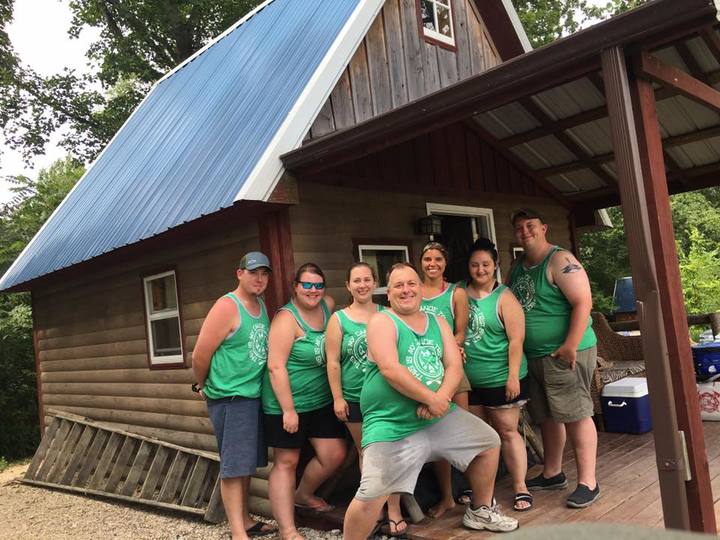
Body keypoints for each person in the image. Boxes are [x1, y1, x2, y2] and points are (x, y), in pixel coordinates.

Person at [343, 262, 519, 539]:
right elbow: (390, 368)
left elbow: (453, 365)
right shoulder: (382, 321)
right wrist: (430, 398)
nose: (406, 290)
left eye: (412, 284)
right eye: (398, 285)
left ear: (421, 290)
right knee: (371, 495)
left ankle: (480, 510)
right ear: (388, 294)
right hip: (391, 424)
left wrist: (441, 399)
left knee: (488, 442)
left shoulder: (436, 322)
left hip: (438, 416)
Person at [507, 208, 599, 509]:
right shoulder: (517, 267)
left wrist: (570, 344)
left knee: (575, 413)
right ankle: (552, 472)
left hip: (565, 352)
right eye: (519, 227)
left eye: (531, 225)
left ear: (544, 227)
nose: (525, 231)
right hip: (534, 356)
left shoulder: (561, 260)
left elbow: (583, 301)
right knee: (547, 416)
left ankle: (588, 482)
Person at [191, 251, 277, 540]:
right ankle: (238, 532)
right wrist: (202, 385)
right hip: (230, 397)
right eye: (254, 272)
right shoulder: (227, 306)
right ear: (239, 273)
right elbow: (200, 354)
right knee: (233, 466)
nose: (260, 279)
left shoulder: (260, 304)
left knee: (245, 464)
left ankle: (245, 520)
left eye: (264, 273)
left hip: (253, 395)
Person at [262, 263, 347, 540]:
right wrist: (288, 410)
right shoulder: (286, 320)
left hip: (320, 399)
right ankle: (287, 530)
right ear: (295, 287)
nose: (313, 291)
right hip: (286, 403)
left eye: (318, 285)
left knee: (334, 454)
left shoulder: (328, 306)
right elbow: (276, 366)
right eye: (306, 285)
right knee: (287, 462)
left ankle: (303, 494)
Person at [325, 262, 406, 537]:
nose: (362, 285)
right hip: (354, 398)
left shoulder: (388, 314)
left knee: (392, 452)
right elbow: (333, 362)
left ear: (375, 283)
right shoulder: (339, 319)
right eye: (356, 280)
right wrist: (337, 397)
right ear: (348, 285)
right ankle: (375, 509)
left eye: (367, 279)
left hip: (387, 396)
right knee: (369, 455)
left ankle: (394, 509)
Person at [464, 238, 531, 511]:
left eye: (486, 265)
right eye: (475, 265)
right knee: (478, 437)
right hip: (469, 381)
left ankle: (520, 486)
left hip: (501, 376)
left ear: (495, 266)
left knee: (507, 432)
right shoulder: (459, 293)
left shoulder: (505, 297)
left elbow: (516, 340)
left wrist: (513, 376)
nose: (480, 270)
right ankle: (481, 490)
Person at [419, 241, 472, 517]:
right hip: (424, 372)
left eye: (438, 259)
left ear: (445, 263)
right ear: (421, 262)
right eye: (427, 259)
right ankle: (447, 496)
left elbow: (461, 331)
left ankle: (471, 490)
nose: (432, 264)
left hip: (451, 369)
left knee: (460, 430)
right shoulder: (413, 291)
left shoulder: (456, 293)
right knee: (437, 435)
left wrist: (449, 350)